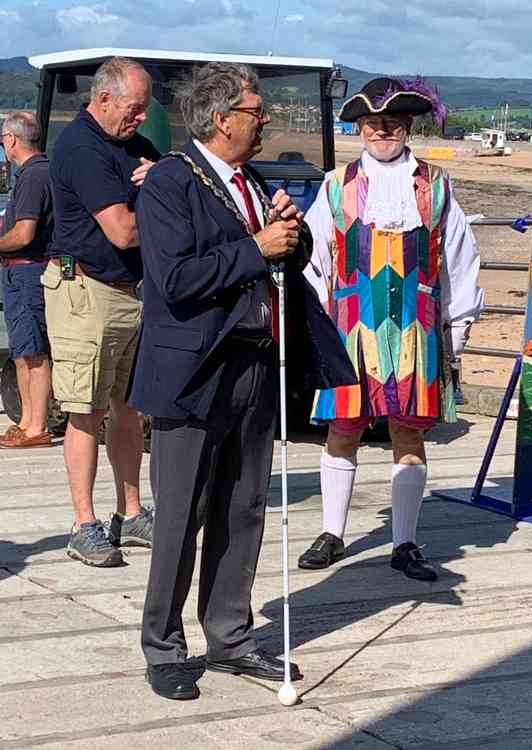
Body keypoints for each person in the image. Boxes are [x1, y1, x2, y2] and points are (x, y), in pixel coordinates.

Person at [130, 62, 355, 701]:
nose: (267, 120)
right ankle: (164, 646)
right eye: (257, 110)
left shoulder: (251, 179)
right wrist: (257, 245)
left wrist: (294, 230)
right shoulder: (172, 182)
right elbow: (175, 279)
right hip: (193, 372)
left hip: (256, 363)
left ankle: (230, 635)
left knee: (245, 505)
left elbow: (286, 254)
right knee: (182, 513)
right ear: (221, 117)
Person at [298, 76, 484, 580]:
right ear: (359, 127)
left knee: (407, 430)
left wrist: (458, 327)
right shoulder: (335, 186)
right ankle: (333, 533)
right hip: (349, 324)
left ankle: (404, 543)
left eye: (393, 123)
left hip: (415, 326)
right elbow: (314, 259)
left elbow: (460, 259)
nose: (383, 132)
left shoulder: (436, 184)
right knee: (343, 427)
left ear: (406, 127)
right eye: (373, 124)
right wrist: (315, 325)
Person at [44, 57, 160, 567]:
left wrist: (160, 179)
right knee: (85, 411)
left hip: (130, 291)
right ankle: (84, 523)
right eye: (134, 109)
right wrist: (157, 191)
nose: (139, 119)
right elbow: (124, 230)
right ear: (104, 98)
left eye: (144, 110)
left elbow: (175, 186)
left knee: (130, 409)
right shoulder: (80, 147)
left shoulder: (135, 145)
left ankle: (130, 512)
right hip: (85, 292)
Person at [0, 113, 53, 448]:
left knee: (34, 350)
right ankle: (26, 420)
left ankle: (38, 425)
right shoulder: (35, 173)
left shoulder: (34, 176)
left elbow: (24, 233)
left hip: (29, 270)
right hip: (20, 271)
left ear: (12, 139)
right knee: (22, 349)